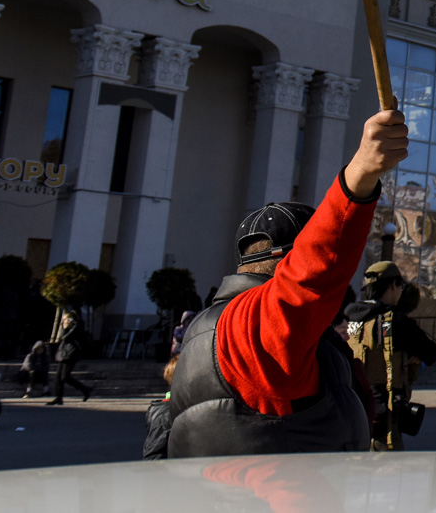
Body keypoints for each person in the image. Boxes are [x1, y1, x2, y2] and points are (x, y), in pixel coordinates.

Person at [166, 109, 405, 456]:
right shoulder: (254, 325)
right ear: (288, 260)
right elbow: (315, 272)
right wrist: (361, 174)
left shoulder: (211, 323)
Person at [345, 261, 436, 450]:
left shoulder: (348, 316)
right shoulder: (396, 321)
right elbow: (431, 354)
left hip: (352, 407)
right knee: (385, 470)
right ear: (393, 285)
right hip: (385, 412)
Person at [49, 309, 93, 405]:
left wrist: (65, 328)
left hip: (71, 352)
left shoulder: (76, 326)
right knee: (58, 377)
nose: (64, 321)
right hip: (63, 352)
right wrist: (64, 327)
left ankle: (85, 389)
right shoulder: (67, 327)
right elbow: (62, 338)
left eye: (66, 319)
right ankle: (58, 397)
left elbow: (66, 338)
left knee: (65, 376)